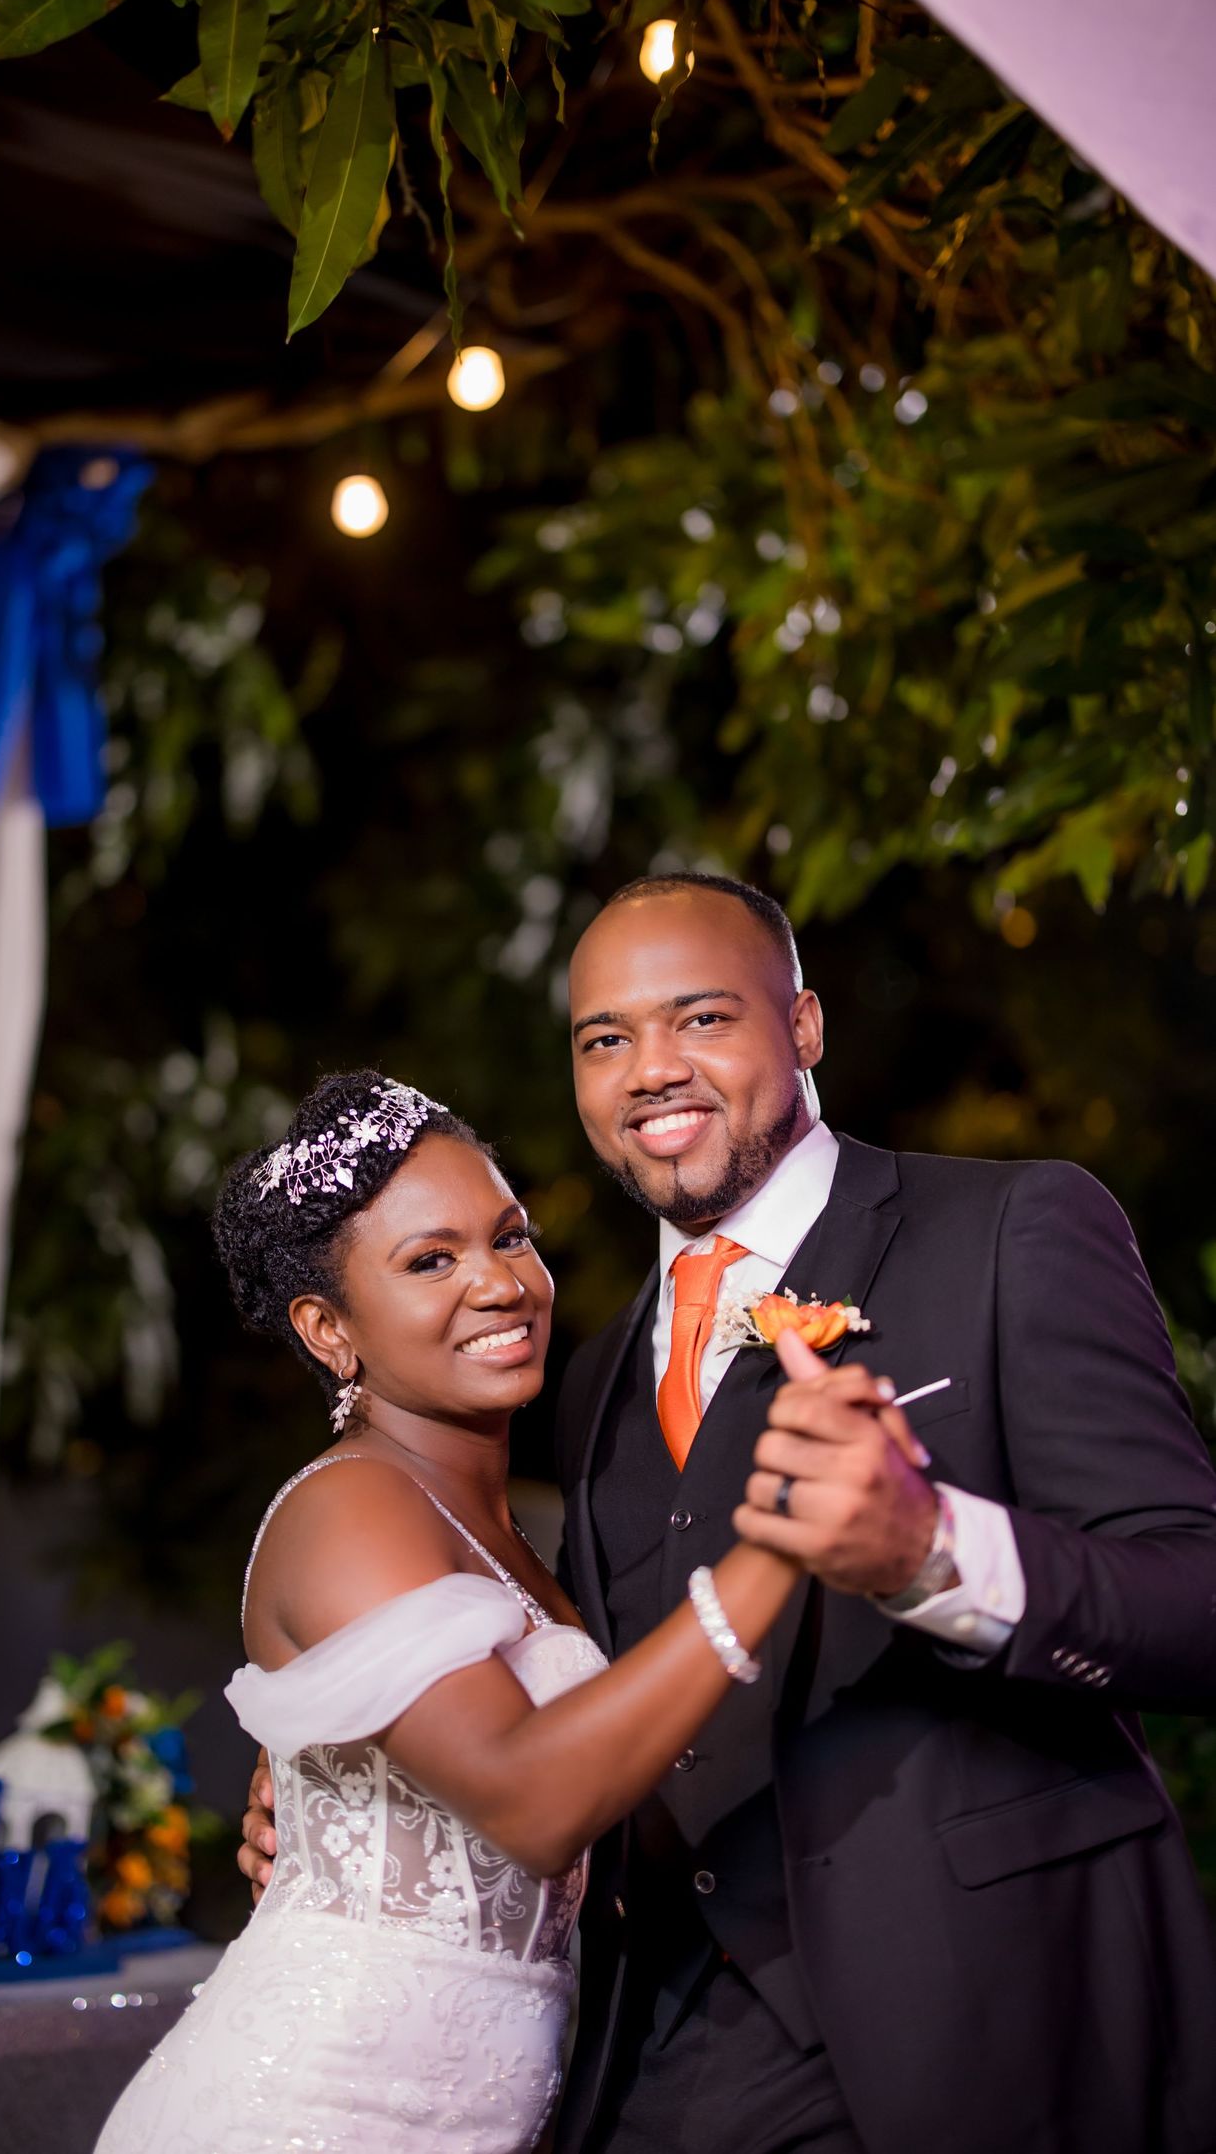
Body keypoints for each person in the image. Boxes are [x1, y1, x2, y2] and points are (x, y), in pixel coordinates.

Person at [242, 875, 1216, 2154]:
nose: (652, 1068)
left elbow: (1196, 1602)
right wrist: (357, 1766)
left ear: (803, 1026)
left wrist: (937, 1552)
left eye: (701, 1017)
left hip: (990, 2020)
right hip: (662, 2049)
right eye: (606, 1039)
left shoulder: (1008, 1231)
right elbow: (578, 1685)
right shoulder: (590, 1377)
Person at [99, 1069, 897, 2154]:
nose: (499, 1283)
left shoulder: (516, 1534)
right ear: (328, 1329)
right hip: (310, 2113)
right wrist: (775, 1553)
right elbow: (532, 1800)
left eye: (510, 1237)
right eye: (431, 1261)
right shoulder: (351, 1507)